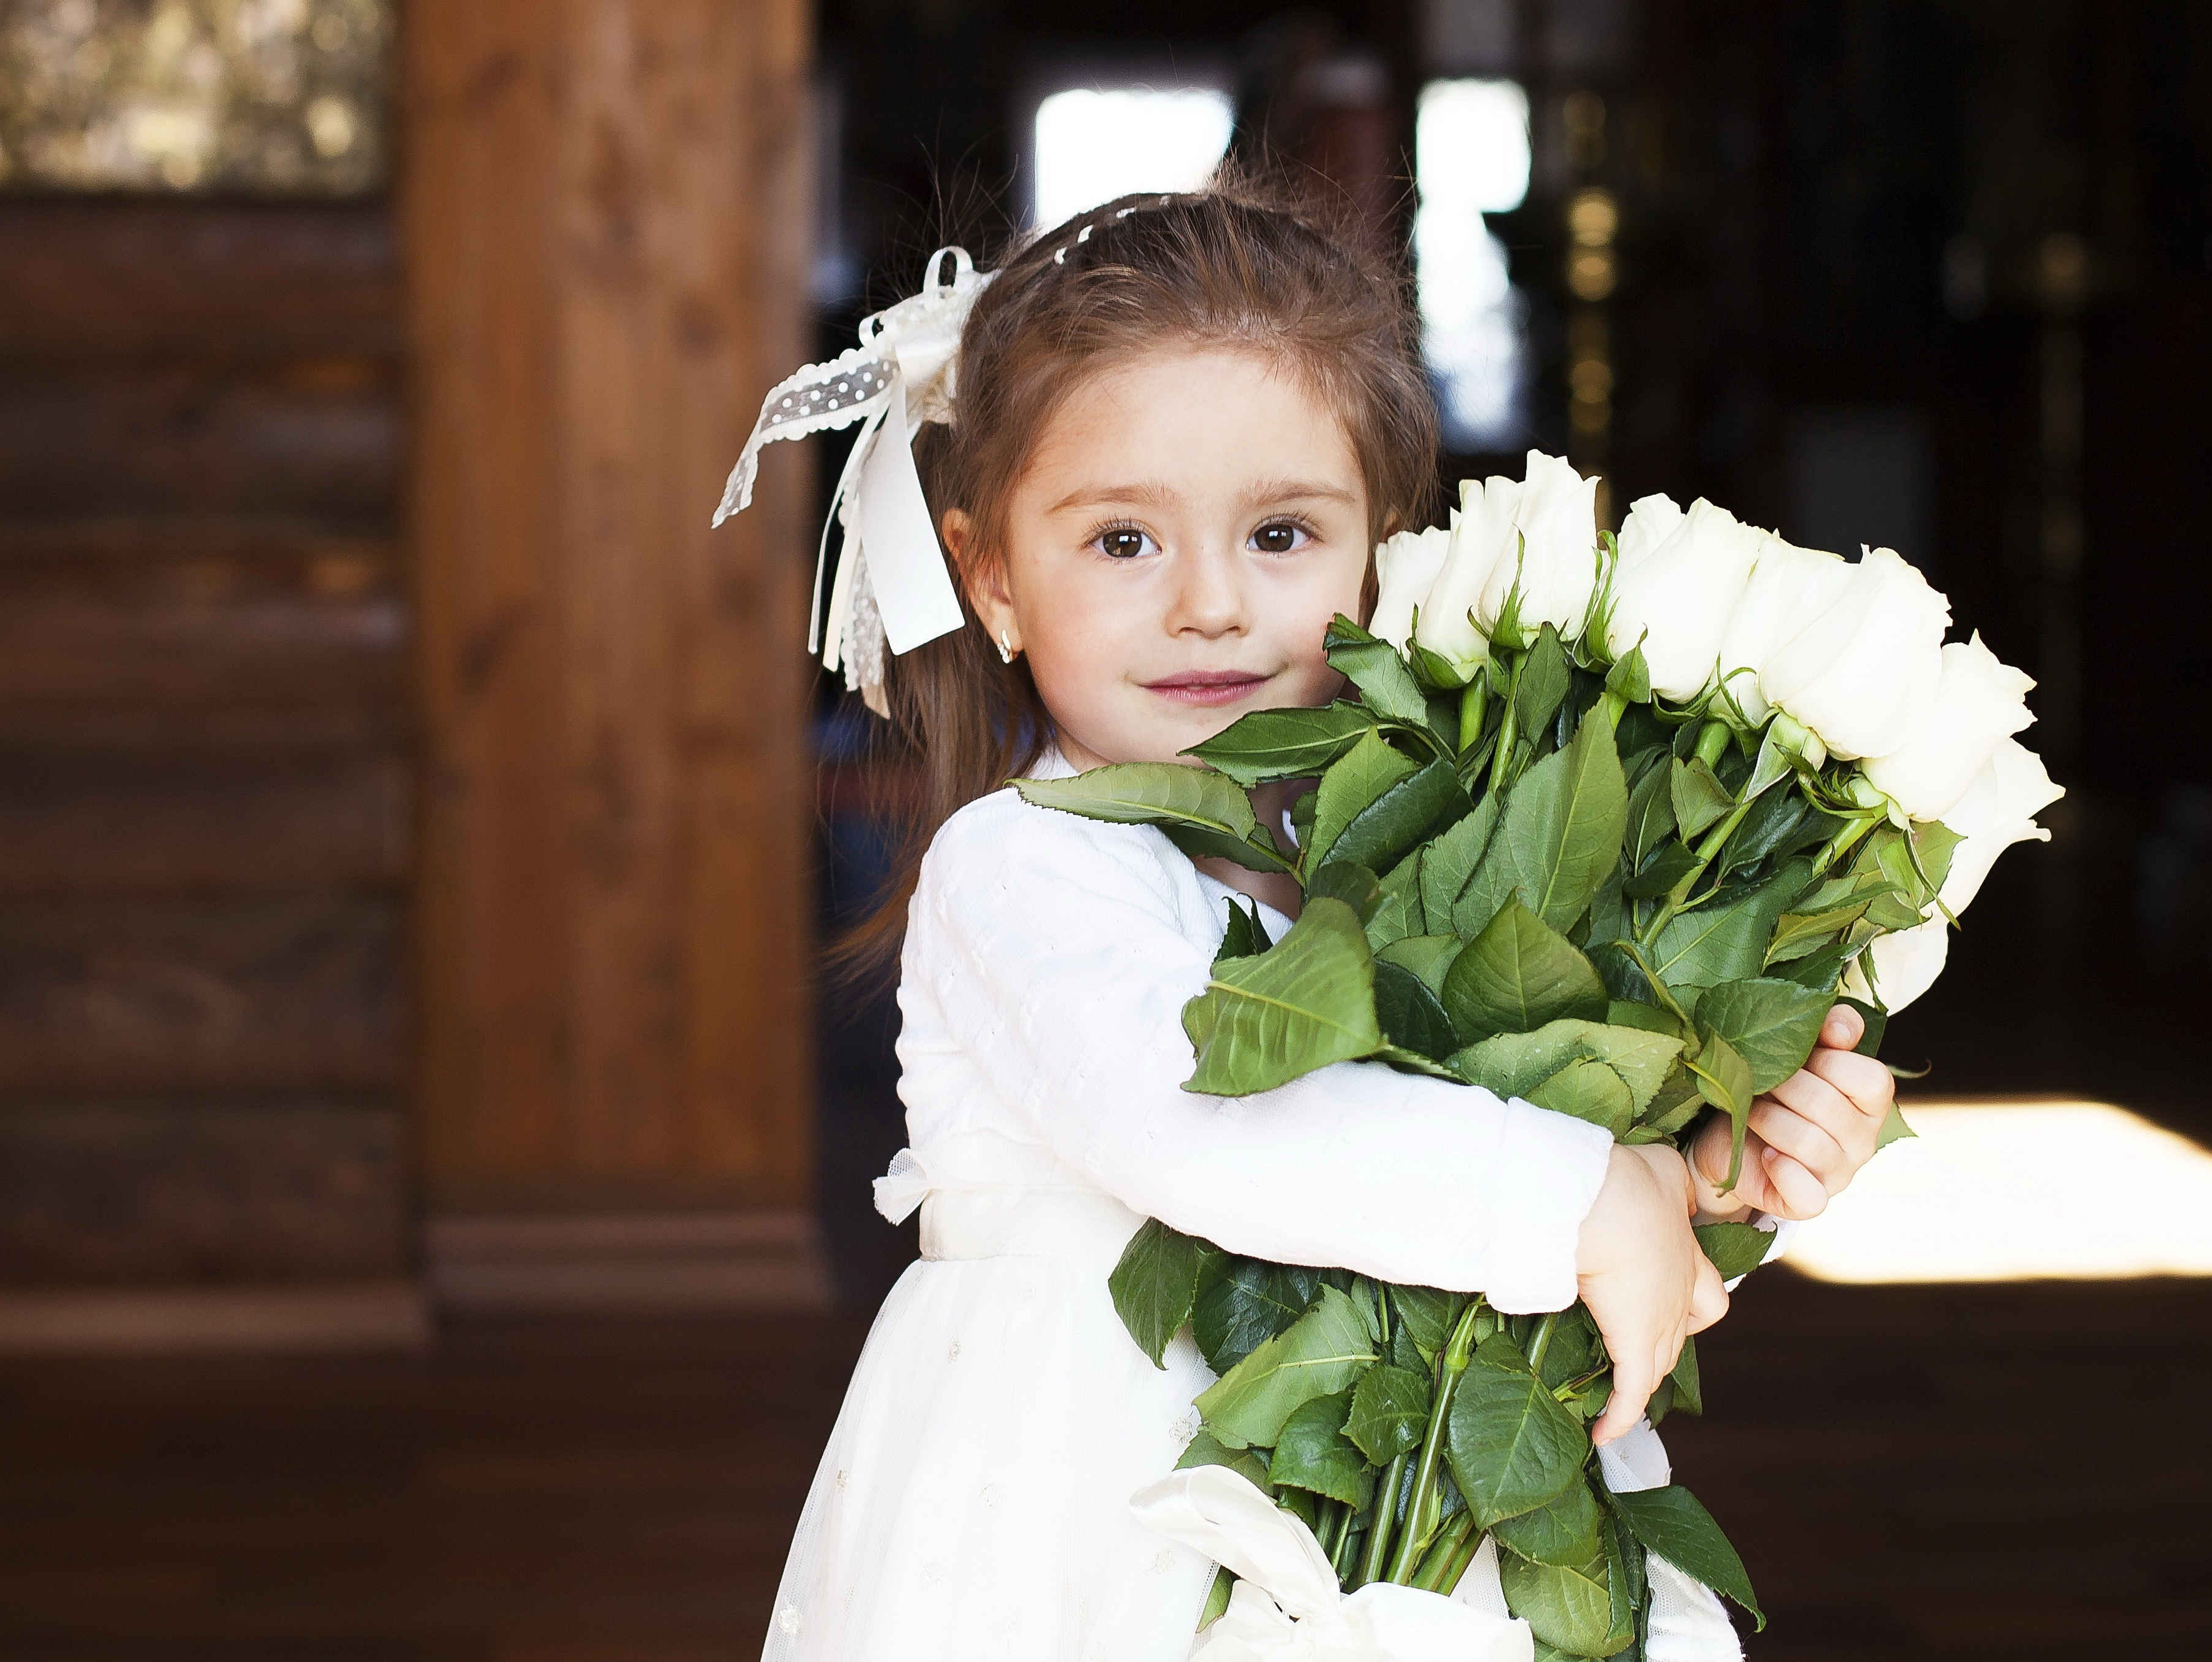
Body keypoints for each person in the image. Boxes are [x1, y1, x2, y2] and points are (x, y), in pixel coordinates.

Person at [722, 188, 1897, 1662]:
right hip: (1092, 1535)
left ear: (1382, 553)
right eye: (1121, 541)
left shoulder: (1430, 850)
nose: (1211, 603)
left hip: (1406, 1529)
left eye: (1279, 531)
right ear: (993, 578)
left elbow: (1508, 1169)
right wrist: (1578, 1193)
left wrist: (1701, 1165)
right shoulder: (1018, 866)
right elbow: (1196, 1124)